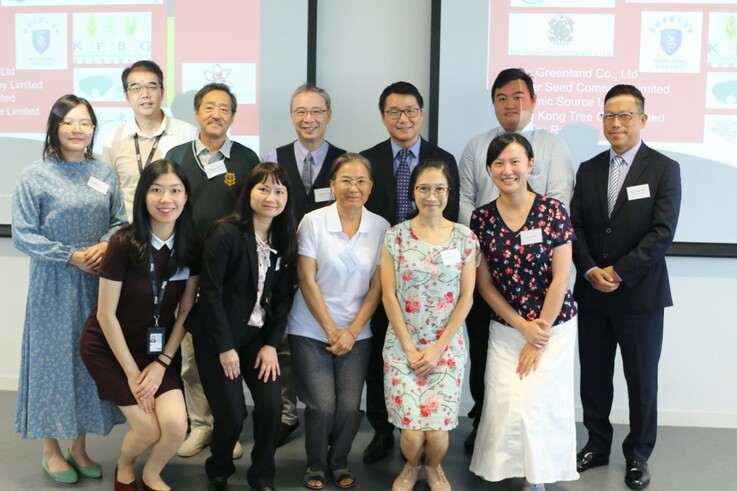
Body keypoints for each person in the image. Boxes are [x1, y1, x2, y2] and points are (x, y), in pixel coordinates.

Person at [12, 94, 127, 484]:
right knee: (51, 363)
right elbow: (23, 235)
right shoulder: (35, 175)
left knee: (86, 360)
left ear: (94, 129)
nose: (78, 130)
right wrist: (70, 256)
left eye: (86, 123)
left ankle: (78, 448)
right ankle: (51, 450)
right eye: (69, 122)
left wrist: (104, 245)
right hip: (54, 282)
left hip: (97, 282)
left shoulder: (104, 172)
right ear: (54, 127)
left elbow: (119, 221)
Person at [571, 84, 681, 491]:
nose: (615, 123)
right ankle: (597, 445)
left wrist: (618, 271)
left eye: (624, 116)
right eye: (608, 116)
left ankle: (637, 455)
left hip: (640, 295)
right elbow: (576, 227)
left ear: (642, 119)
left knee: (641, 378)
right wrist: (589, 270)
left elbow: (662, 232)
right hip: (593, 293)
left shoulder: (664, 169)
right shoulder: (589, 168)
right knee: (595, 377)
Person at [457, 68, 574, 451]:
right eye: (502, 97)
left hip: (544, 299)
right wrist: (482, 235)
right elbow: (464, 199)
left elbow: (559, 200)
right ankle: (484, 427)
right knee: (491, 372)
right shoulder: (476, 146)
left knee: (536, 391)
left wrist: (536, 328)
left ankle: (538, 459)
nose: (511, 104)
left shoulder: (553, 148)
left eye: (519, 96)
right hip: (493, 280)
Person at [80, 159, 200, 491]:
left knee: (176, 426)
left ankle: (152, 474)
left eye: (175, 191)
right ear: (143, 196)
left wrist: (162, 362)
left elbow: (187, 309)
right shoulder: (123, 243)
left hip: (157, 352)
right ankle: (125, 465)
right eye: (156, 190)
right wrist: (133, 374)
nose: (166, 199)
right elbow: (105, 315)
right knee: (148, 429)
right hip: (108, 346)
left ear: (186, 197)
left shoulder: (191, 245)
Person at [468, 134, 579, 491]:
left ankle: (537, 477)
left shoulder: (552, 211)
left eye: (515, 161)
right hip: (506, 325)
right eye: (498, 163)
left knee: (538, 403)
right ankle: (506, 468)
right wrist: (520, 326)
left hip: (554, 326)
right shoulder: (481, 218)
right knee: (504, 402)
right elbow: (484, 285)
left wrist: (539, 333)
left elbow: (562, 276)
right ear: (489, 170)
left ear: (531, 165)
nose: (507, 170)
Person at [360, 81, 460, 464]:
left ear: (421, 113)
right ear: (383, 116)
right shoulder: (368, 159)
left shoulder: (443, 158)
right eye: (394, 112)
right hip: (382, 270)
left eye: (410, 111)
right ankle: (385, 429)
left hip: (433, 277)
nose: (403, 119)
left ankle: (426, 433)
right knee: (381, 356)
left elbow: (452, 214)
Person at [185, 163, 297, 491]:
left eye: (279, 191)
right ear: (248, 191)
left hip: (256, 337)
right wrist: (225, 348)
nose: (271, 197)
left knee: (271, 407)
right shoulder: (226, 233)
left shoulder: (284, 237)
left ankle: (262, 477)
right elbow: (212, 295)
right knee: (233, 414)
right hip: (216, 337)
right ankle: (218, 470)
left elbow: (283, 299)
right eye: (263, 188)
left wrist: (270, 345)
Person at [165, 82, 259, 459]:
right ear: (197, 113)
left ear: (233, 116)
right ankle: (200, 424)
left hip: (231, 275)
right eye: (209, 107)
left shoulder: (247, 158)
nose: (216, 114)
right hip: (185, 269)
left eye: (224, 108)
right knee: (190, 354)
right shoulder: (177, 155)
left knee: (225, 351)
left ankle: (225, 427)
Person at [287, 153, 389, 490]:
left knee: (348, 406)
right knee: (322, 404)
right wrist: (332, 330)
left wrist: (353, 331)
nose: (353, 188)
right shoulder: (313, 222)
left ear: (371, 188)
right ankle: (316, 464)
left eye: (361, 181)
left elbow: (377, 287)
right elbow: (307, 280)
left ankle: (340, 461)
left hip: (357, 332)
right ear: (332, 185)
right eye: (345, 180)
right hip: (310, 328)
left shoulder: (381, 227)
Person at [382, 160, 477, 491]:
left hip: (446, 347)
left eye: (439, 188)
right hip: (402, 346)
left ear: (449, 193)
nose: (432, 196)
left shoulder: (465, 238)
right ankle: (411, 466)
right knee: (411, 434)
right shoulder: (395, 236)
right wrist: (409, 348)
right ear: (413, 193)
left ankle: (434, 468)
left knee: (436, 434)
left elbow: (466, 298)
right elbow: (389, 296)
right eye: (424, 188)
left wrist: (437, 349)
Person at [262, 83, 346, 447]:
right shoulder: (274, 156)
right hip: (283, 266)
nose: (308, 119)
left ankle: (324, 414)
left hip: (330, 273)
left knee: (323, 340)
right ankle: (286, 413)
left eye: (316, 112)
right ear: (292, 115)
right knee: (281, 340)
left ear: (329, 115)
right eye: (301, 112)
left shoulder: (345, 161)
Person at [102, 60, 198, 221]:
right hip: (130, 233)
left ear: (162, 92)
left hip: (177, 232)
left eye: (152, 86)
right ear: (126, 95)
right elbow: (109, 194)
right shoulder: (113, 140)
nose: (145, 94)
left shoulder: (189, 135)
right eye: (136, 88)